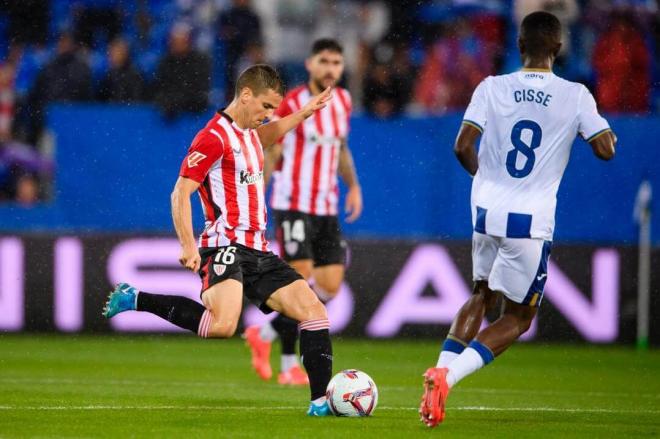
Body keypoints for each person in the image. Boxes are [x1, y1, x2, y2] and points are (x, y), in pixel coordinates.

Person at [419, 11, 617, 428]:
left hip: (486, 210)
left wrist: (487, 180)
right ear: (559, 49)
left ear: (520, 46)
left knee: (480, 293)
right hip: (530, 220)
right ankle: (447, 377)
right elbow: (605, 150)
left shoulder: (491, 87)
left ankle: (438, 370)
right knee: (518, 317)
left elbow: (461, 146)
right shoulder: (575, 94)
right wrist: (605, 132)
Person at [103, 64, 336, 416]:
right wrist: (187, 245)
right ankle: (137, 298)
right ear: (245, 96)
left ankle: (320, 404)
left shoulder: (250, 133)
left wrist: (301, 114)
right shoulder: (213, 137)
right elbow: (180, 192)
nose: (269, 115)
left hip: (259, 249)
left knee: (314, 312)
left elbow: (267, 135)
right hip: (224, 246)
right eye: (266, 106)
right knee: (223, 326)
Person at [243, 39, 362, 386]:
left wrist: (353, 185)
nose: (330, 68)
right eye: (324, 61)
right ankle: (287, 364)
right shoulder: (293, 102)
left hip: (326, 205)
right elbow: (272, 152)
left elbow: (340, 148)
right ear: (310, 64)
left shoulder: (343, 101)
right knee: (300, 277)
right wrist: (257, 194)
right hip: (293, 202)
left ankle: (263, 334)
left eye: (337, 62)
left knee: (329, 285)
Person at [153, 23, 211, 119]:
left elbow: (201, 88)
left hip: (194, 107)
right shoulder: (165, 62)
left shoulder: (199, 61)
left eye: (181, 41)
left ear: (188, 41)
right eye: (175, 42)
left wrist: (179, 100)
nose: (177, 45)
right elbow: (160, 87)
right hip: (171, 107)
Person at [97, 38, 144, 103]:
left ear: (124, 54)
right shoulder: (109, 75)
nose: (111, 57)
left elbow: (136, 102)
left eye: (115, 53)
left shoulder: (134, 75)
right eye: (110, 54)